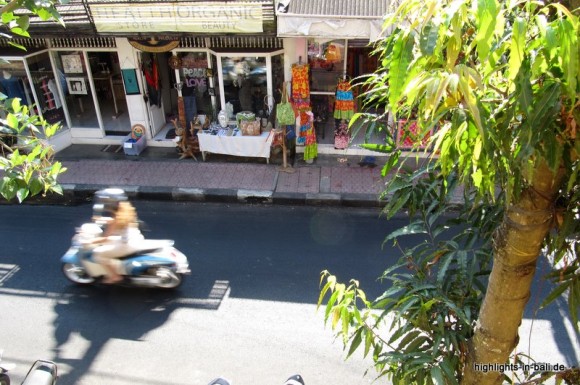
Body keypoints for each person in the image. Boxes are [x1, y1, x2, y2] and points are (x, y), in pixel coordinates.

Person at [89, 188, 144, 283]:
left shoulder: (117, 218)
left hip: (127, 245)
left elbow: (105, 238)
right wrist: (103, 219)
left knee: (98, 253)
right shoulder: (126, 209)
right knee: (110, 243)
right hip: (135, 238)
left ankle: (114, 276)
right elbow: (117, 222)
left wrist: (90, 241)